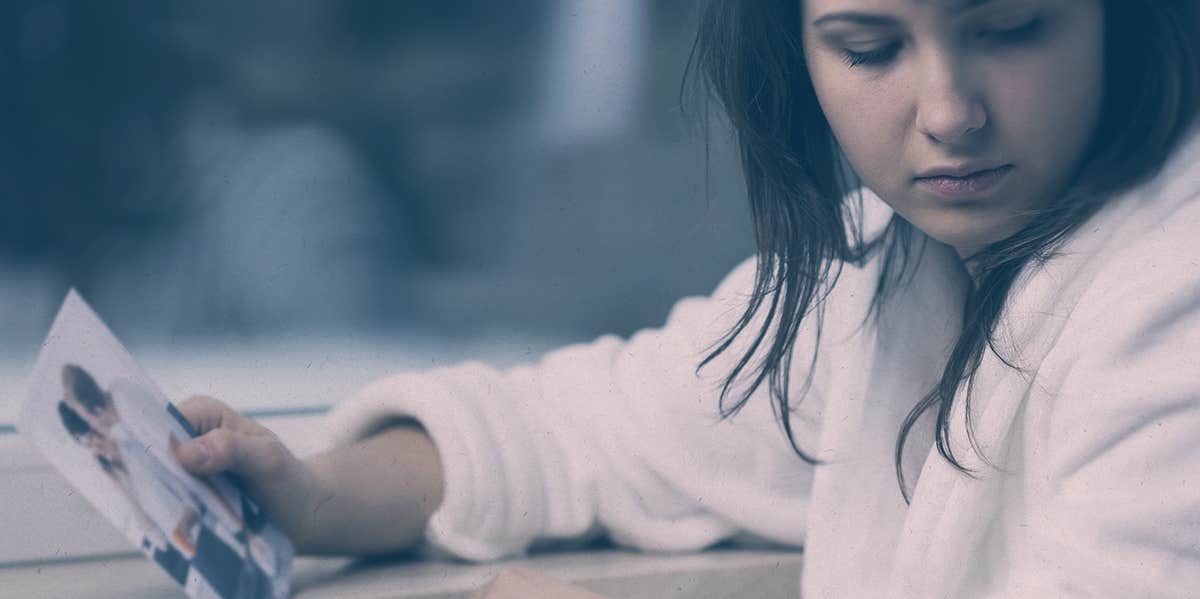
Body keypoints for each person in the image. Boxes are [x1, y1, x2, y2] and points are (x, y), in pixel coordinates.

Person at [172, 1, 1200, 597]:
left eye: (1011, 28)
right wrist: (315, 495)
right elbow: (596, 424)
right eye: (870, 48)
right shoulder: (889, 270)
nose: (948, 112)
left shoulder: (1174, 299)